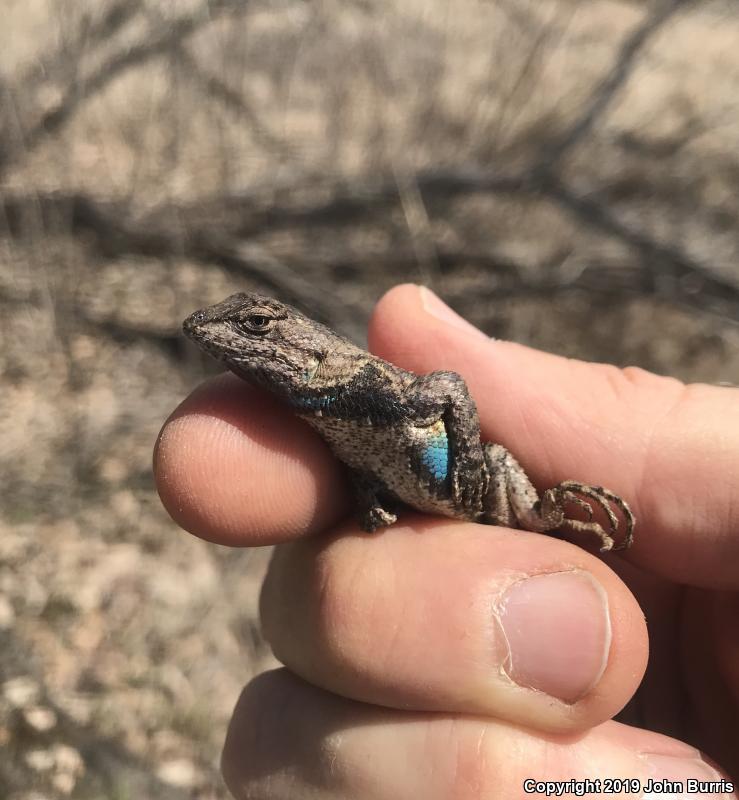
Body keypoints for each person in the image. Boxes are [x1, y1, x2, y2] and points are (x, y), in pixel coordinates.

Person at [155, 284, 738, 798]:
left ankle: (544, 511)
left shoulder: (361, 380)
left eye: (256, 325)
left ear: (306, 349)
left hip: (483, 490)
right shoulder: (317, 414)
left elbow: (448, 389)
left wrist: (467, 470)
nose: (229, 335)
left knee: (505, 467)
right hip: (430, 515)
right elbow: (357, 456)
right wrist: (370, 500)